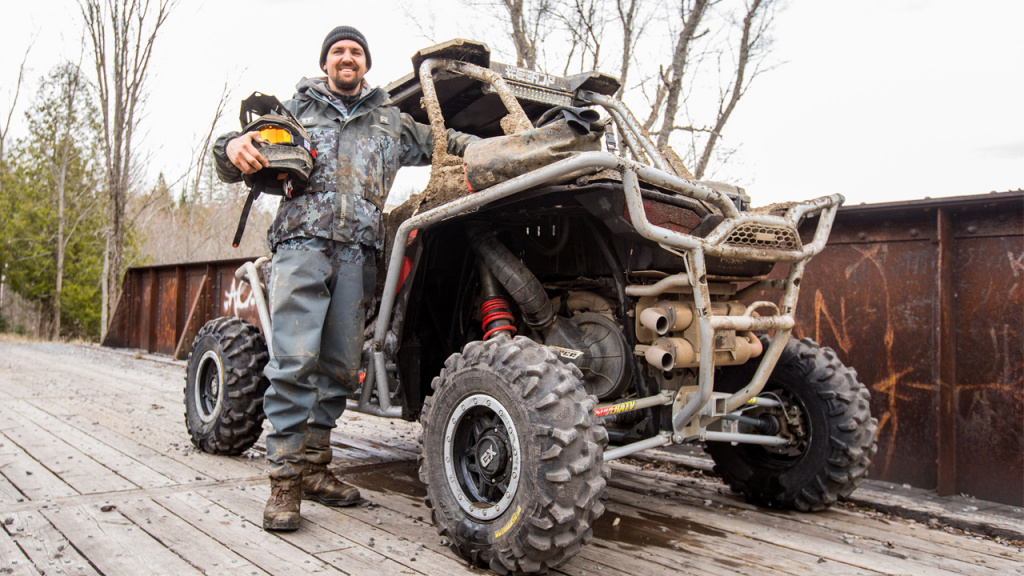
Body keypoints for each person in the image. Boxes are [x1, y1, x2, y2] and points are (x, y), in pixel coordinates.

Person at [213, 26, 477, 532]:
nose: (347, 58)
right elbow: (230, 150)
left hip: (360, 255)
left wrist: (507, 144)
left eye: (355, 51)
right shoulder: (294, 111)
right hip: (301, 249)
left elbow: (447, 144)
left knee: (338, 367)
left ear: (366, 63)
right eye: (338, 51)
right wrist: (236, 146)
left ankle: (315, 467)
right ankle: (284, 485)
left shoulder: (391, 123)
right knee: (293, 364)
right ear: (326, 62)